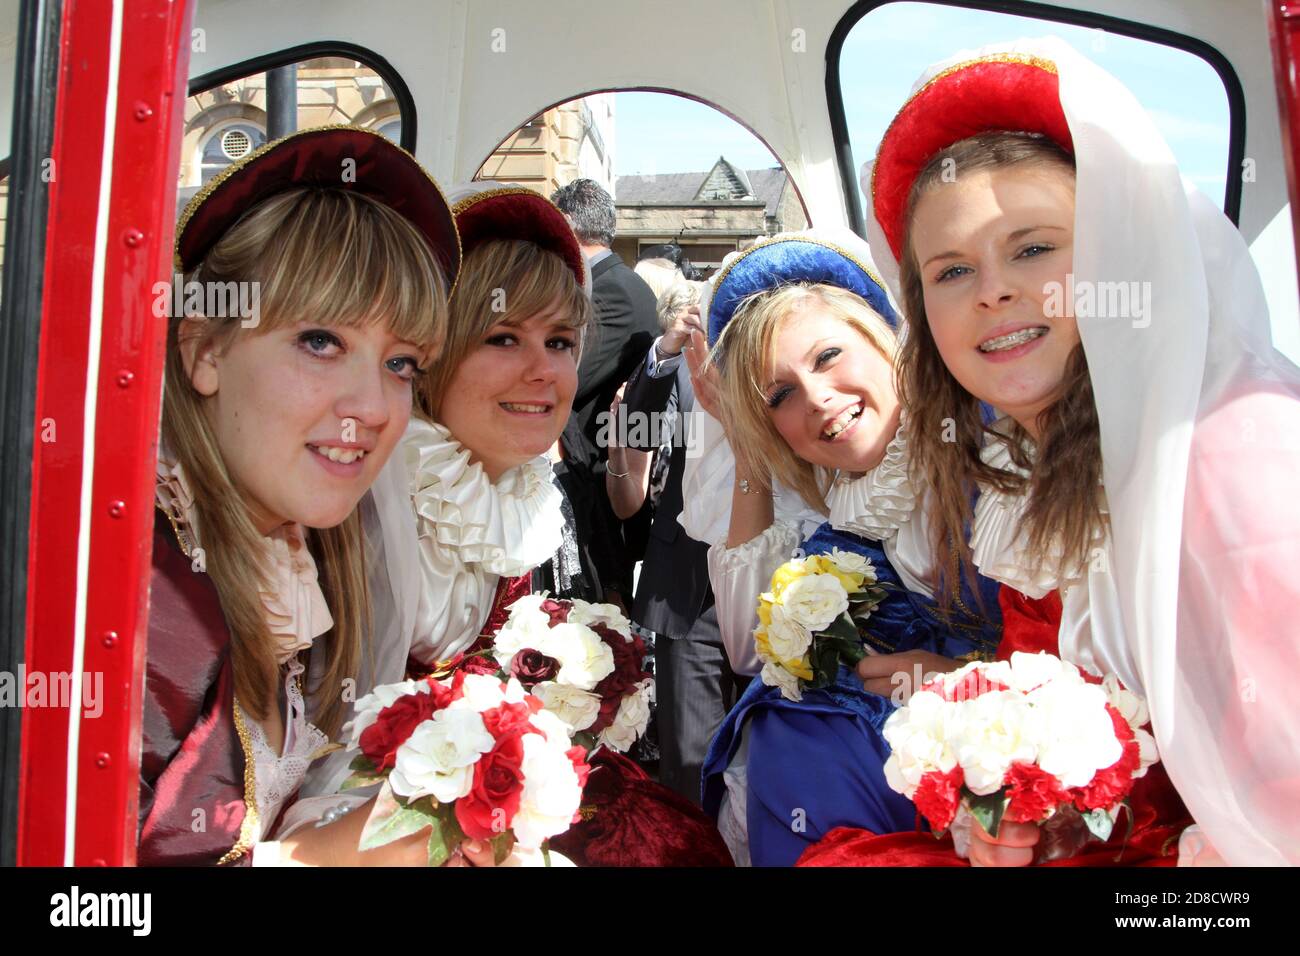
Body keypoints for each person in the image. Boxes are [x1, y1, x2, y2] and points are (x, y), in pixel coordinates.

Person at [811, 38, 1300, 867]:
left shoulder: (1231, 460)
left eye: (1034, 249)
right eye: (952, 269)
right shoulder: (1027, 467)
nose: (993, 290)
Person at [296, 182, 733, 866]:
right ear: (434, 354)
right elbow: (329, 747)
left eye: (560, 342)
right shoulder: (367, 488)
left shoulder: (521, 486)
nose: (544, 371)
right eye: (504, 337)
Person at [141, 126, 499, 866]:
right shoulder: (138, 597)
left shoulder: (294, 554)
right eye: (320, 341)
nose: (372, 407)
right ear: (204, 349)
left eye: (401, 362)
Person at [680, 230, 1002, 865]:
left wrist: (973, 682)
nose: (818, 398)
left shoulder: (996, 455)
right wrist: (748, 450)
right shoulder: (851, 513)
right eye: (781, 395)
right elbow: (750, 645)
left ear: (888, 343)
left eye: (827, 356)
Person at [607, 279, 741, 805]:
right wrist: (665, 353)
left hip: (776, 586)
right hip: (690, 590)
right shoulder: (684, 361)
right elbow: (637, 431)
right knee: (690, 763)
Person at [551, 178, 661, 604]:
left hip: (601, 478)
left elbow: (568, 379)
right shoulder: (617, 285)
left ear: (568, 226)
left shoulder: (612, 292)